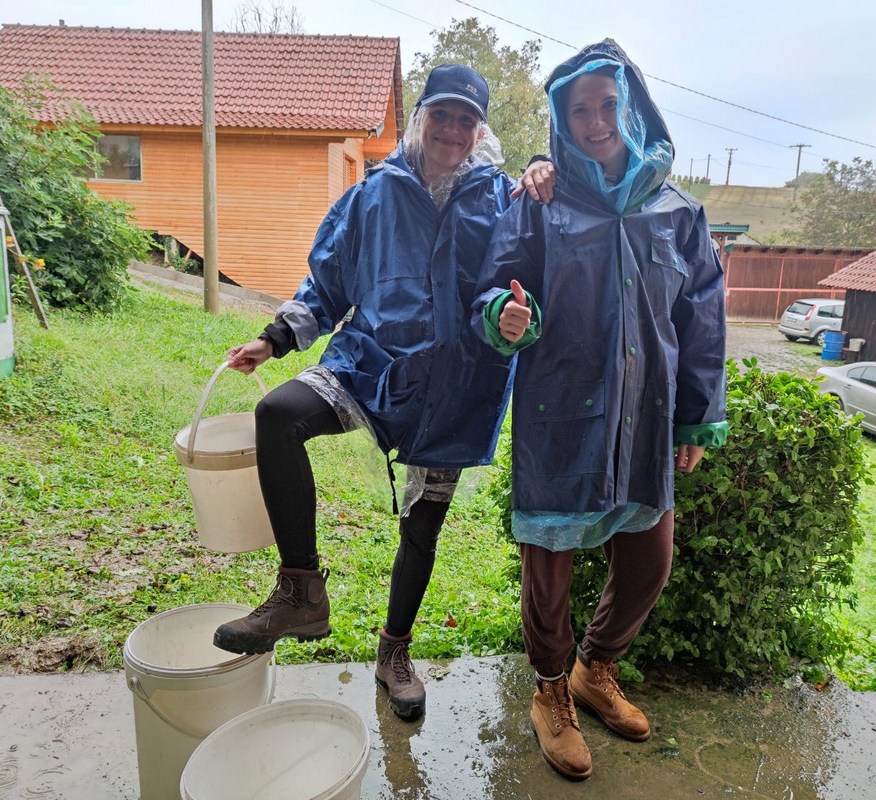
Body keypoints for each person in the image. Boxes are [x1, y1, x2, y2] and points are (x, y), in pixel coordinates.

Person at [212, 63, 554, 722]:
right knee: (278, 414)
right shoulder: (371, 196)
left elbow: (510, 280)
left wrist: (509, 317)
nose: (452, 129)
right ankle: (300, 589)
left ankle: (393, 651)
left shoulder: (499, 198)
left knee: (421, 525)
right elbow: (327, 284)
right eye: (441, 115)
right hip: (366, 363)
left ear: (478, 129)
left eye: (465, 119)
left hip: (457, 384)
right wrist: (274, 340)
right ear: (422, 117)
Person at [472, 39, 729, 780]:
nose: (594, 122)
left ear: (632, 108)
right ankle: (550, 692)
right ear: (561, 119)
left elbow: (702, 318)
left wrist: (695, 415)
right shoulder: (543, 203)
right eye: (579, 110)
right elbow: (495, 285)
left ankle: (594, 669)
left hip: (645, 416)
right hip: (561, 415)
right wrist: (503, 316)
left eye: (607, 105)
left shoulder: (676, 211)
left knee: (649, 560)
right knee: (547, 571)